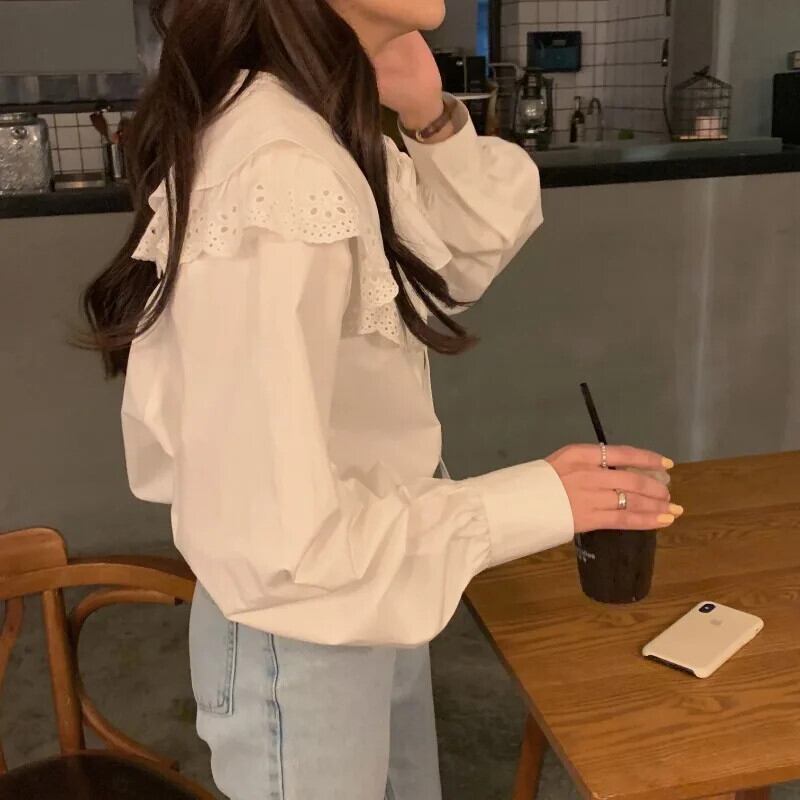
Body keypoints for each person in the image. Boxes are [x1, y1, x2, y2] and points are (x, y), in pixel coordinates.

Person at [81, 1, 681, 798]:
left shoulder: (313, 123)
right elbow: (278, 546)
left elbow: (447, 266)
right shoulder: (277, 166)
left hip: (368, 577)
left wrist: (429, 116)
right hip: (307, 619)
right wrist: (534, 500)